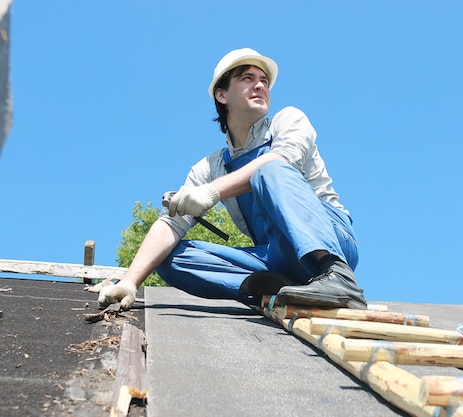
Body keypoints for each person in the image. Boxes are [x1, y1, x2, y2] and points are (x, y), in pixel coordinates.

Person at [96, 48, 367, 311]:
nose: (260, 86)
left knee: (269, 170)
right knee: (168, 259)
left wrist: (212, 192)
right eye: (247, 78)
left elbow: (282, 160)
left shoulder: (289, 120)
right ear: (221, 94)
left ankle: (337, 277)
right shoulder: (212, 166)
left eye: (264, 81)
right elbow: (171, 223)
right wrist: (130, 281)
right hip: (276, 257)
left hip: (333, 238)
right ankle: (274, 288)